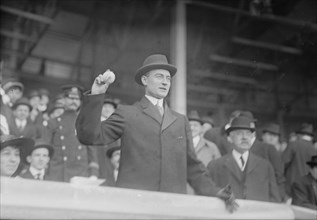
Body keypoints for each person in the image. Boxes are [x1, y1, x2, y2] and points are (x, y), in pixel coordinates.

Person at [76, 54, 238, 212]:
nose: (165, 82)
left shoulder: (180, 120)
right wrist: (97, 94)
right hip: (134, 207)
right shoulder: (128, 113)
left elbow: (192, 166)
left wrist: (215, 192)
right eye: (159, 77)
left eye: (168, 78)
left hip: (171, 208)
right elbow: (89, 135)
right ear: (145, 80)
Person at [207, 116, 281, 203]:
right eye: (239, 133)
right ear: (230, 138)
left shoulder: (265, 166)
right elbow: (208, 197)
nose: (244, 137)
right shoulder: (215, 166)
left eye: (248, 133)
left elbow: (275, 199)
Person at [45, 84, 99, 182]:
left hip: (80, 174)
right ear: (63, 100)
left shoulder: (86, 123)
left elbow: (92, 152)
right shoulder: (53, 122)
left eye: (77, 99)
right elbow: (46, 149)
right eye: (70, 98)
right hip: (58, 172)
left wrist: (94, 173)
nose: (74, 101)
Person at [283, 123, 316, 195]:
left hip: (292, 185)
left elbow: (283, 163)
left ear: (299, 135)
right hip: (308, 187)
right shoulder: (314, 149)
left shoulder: (293, 144)